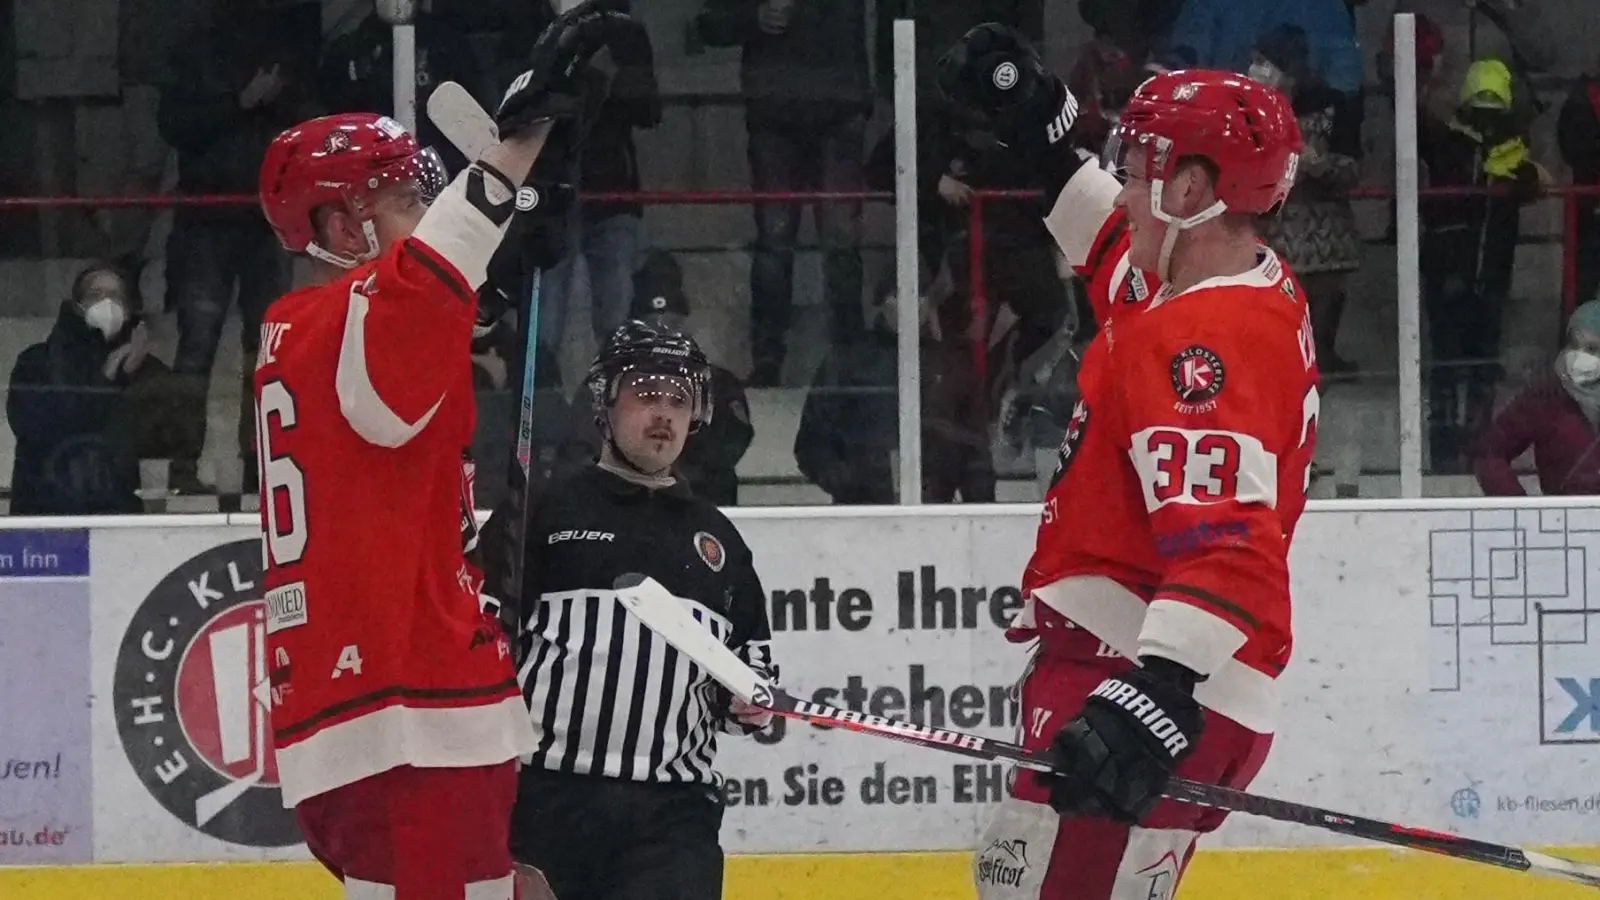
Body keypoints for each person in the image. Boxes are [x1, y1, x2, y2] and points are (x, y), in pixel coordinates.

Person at [250, 4, 635, 897]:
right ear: (346, 231)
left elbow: (414, 339)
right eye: (403, 196)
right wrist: (518, 144)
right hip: (402, 702)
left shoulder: (301, 329)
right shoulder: (350, 313)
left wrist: (485, 279)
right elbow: (422, 286)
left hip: (366, 704)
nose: (425, 210)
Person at [938, 25, 1318, 899]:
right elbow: (1112, 243)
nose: (1131, 189)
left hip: (1143, 674)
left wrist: (1161, 690)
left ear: (1193, 188)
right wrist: (1039, 128)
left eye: (1146, 170)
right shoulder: (1221, 277)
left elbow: (1231, 545)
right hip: (1150, 671)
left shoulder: (1202, 340)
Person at [484, 320, 778, 900]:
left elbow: (749, 675)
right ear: (606, 405)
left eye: (678, 400)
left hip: (673, 818)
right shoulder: (542, 512)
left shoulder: (722, 544)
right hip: (545, 803)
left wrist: (750, 702)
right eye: (646, 396)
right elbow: (478, 636)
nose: (664, 413)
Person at [7, 260, 169, 516]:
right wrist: (107, 376)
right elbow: (38, 428)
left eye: (117, 296)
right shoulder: (37, 362)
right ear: (77, 306)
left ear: (129, 310)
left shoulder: (149, 370)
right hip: (45, 517)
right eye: (95, 294)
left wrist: (137, 378)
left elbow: (171, 440)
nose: (107, 301)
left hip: (123, 519)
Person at [1472, 300, 1600, 496]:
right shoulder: (1546, 394)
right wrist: (1520, 509)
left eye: (1592, 349)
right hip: (1563, 520)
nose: (1579, 356)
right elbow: (1490, 452)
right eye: (1574, 345)